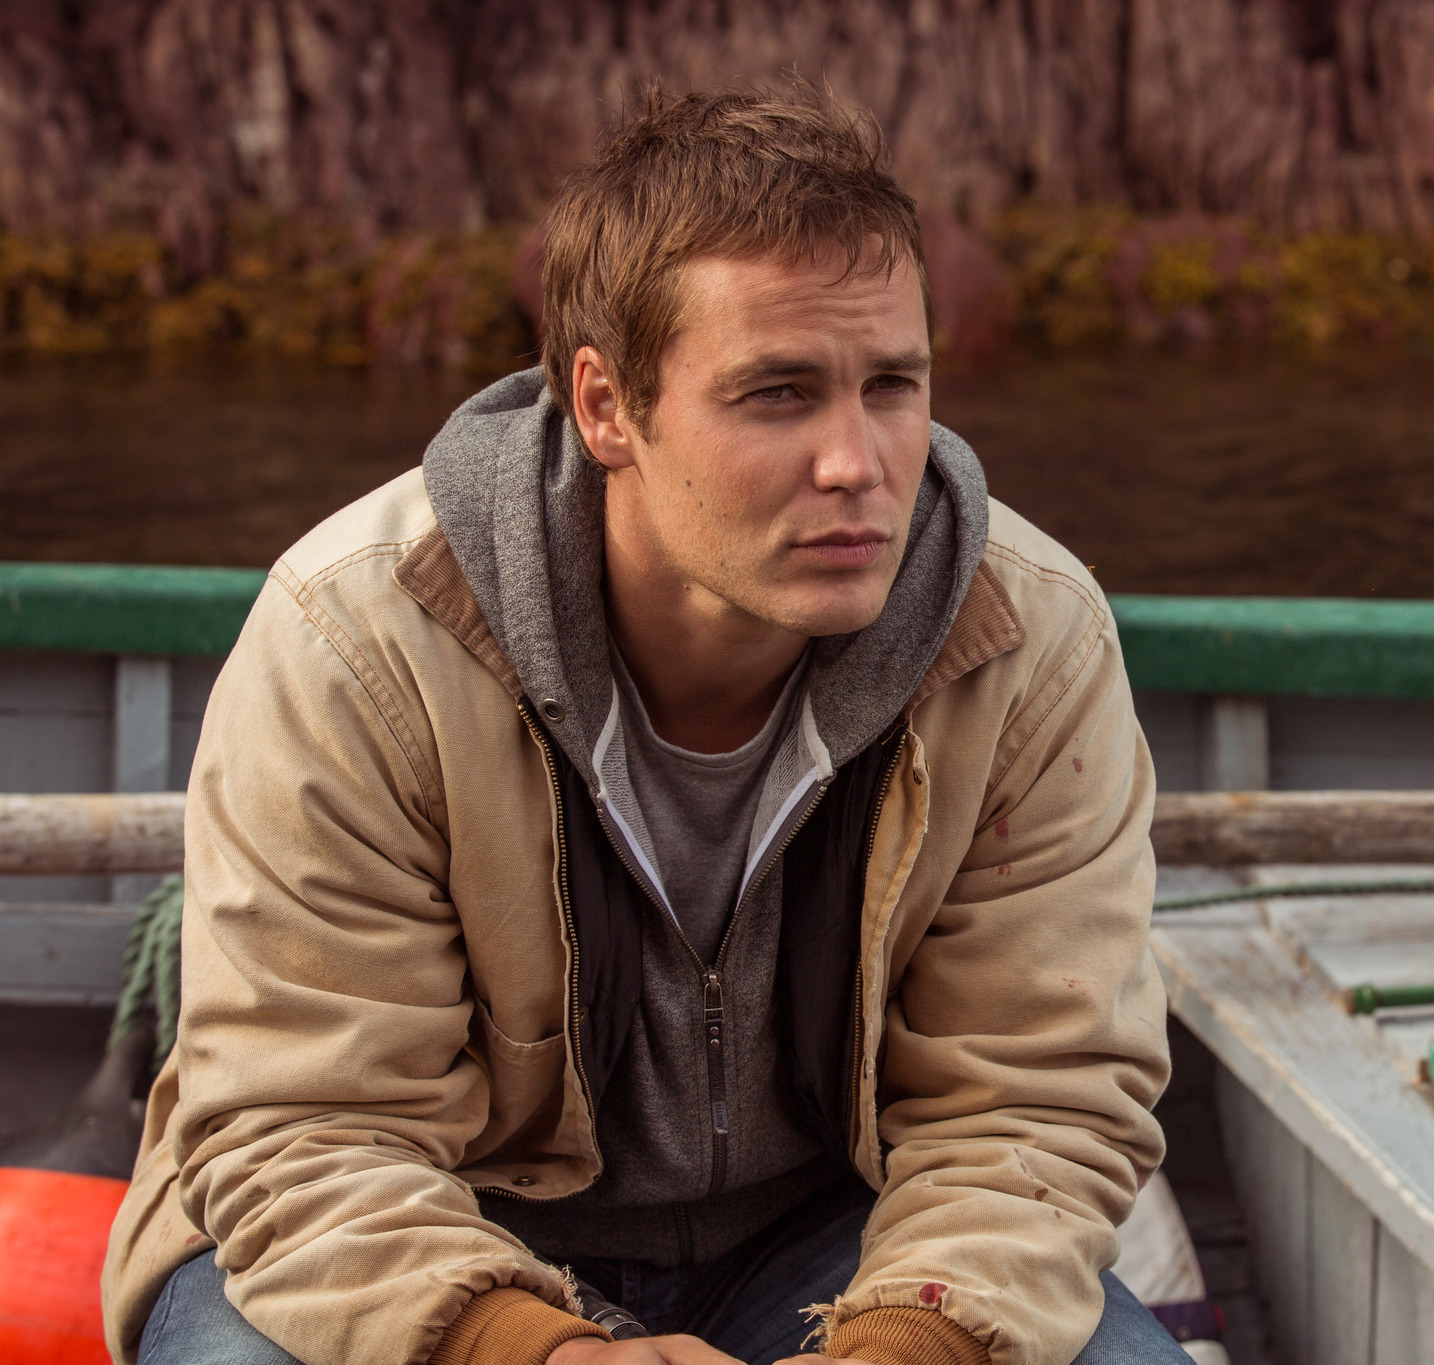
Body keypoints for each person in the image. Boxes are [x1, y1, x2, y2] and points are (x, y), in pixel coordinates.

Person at [102, 86, 1177, 1365]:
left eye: (890, 385)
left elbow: (1033, 1107)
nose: (858, 462)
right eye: (777, 394)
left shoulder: (1023, 640)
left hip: (840, 1240)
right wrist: (542, 1352)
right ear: (607, 407)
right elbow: (304, 1127)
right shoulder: (359, 644)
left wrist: (899, 1347)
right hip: (428, 1231)